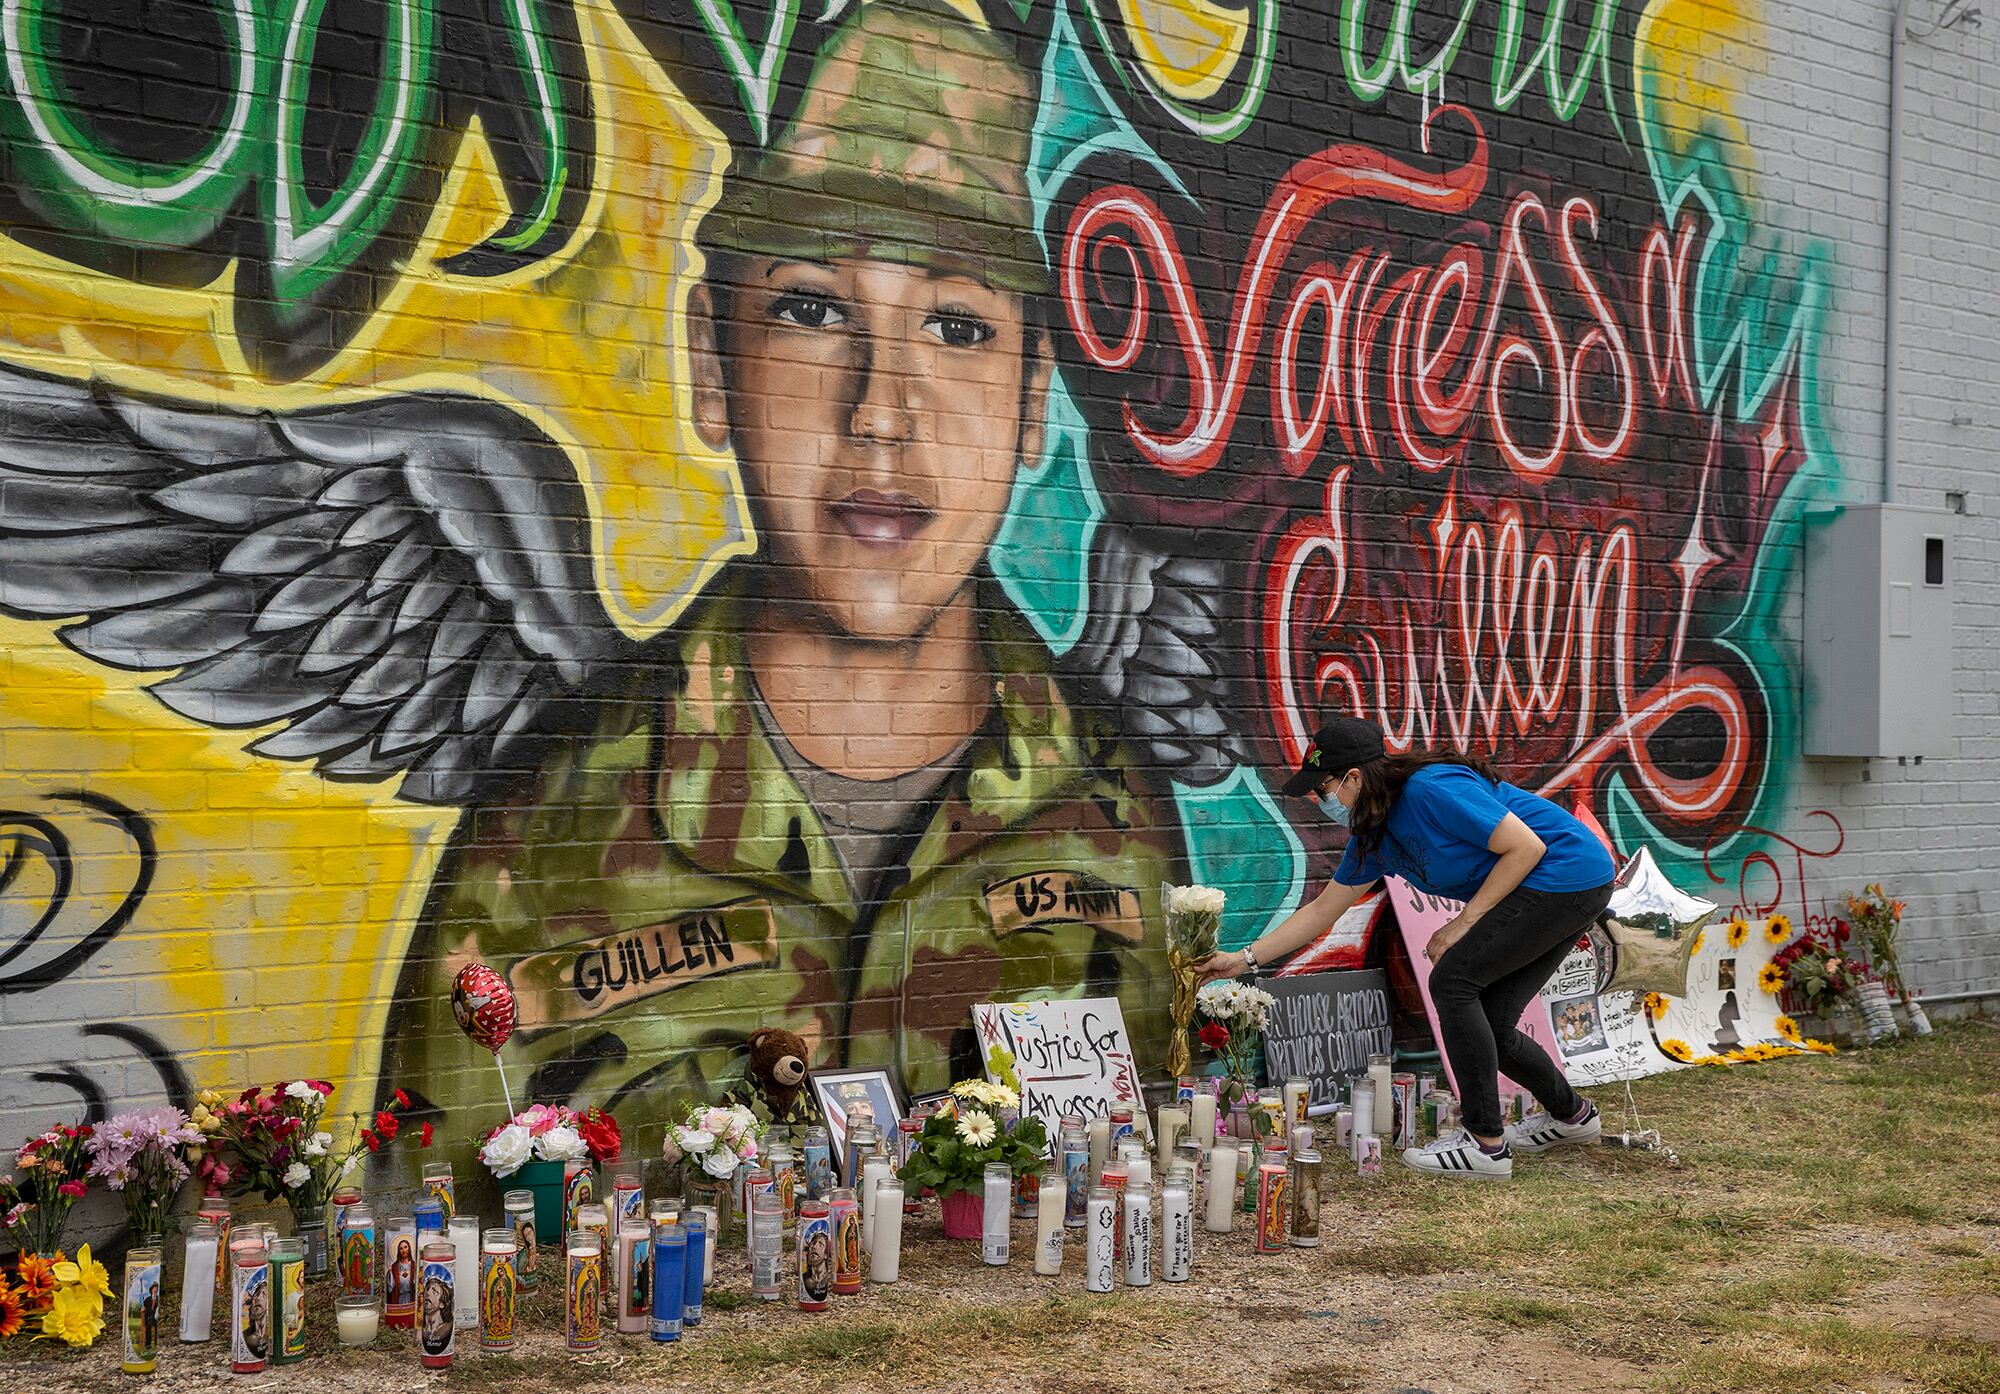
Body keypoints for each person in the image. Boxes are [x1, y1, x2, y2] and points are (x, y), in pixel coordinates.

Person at [382, 0, 1176, 1129]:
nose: (881, 414)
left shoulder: (1109, 806)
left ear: (1031, 399)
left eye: (955, 326)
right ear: (713, 358)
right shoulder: (553, 824)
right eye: (810, 310)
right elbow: (443, 1195)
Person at [1201, 716, 1615, 1179]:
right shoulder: (1373, 835)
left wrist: (1463, 923)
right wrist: (1241, 960)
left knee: (1454, 982)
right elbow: (1322, 913)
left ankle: (1486, 1146)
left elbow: (1525, 848)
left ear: (1355, 778)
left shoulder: (1429, 790)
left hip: (1567, 875)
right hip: (1560, 883)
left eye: (1326, 787)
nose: (1325, 800)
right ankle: (1574, 1117)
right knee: (1492, 1021)